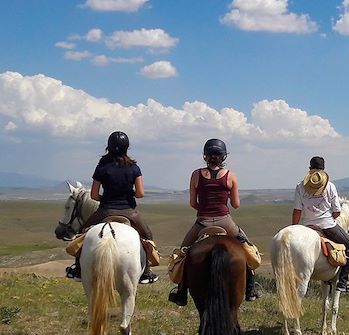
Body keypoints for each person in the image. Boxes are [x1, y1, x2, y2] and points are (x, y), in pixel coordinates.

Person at [168, 139, 261, 306]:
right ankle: (251, 289)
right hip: (225, 221)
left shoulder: (196, 174)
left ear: (205, 155)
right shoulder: (230, 175)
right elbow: (236, 204)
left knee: (182, 254)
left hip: (202, 222)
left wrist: (203, 209)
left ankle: (181, 292)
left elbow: (192, 203)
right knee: (247, 250)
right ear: (223, 156)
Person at [65, 131, 159, 284]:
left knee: (82, 234)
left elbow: (94, 195)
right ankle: (147, 271)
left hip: (105, 210)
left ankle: (78, 269)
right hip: (129, 211)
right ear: (126, 147)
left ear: (108, 147)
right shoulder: (134, 168)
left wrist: (107, 198)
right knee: (147, 236)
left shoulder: (102, 166)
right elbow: (140, 193)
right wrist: (128, 194)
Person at [292, 156, 349, 293]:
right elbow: (337, 212)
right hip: (327, 225)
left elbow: (297, 211)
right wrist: (329, 218)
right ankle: (343, 281)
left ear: (309, 169)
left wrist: (294, 228)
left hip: (306, 226)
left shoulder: (300, 186)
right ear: (323, 170)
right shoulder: (330, 186)